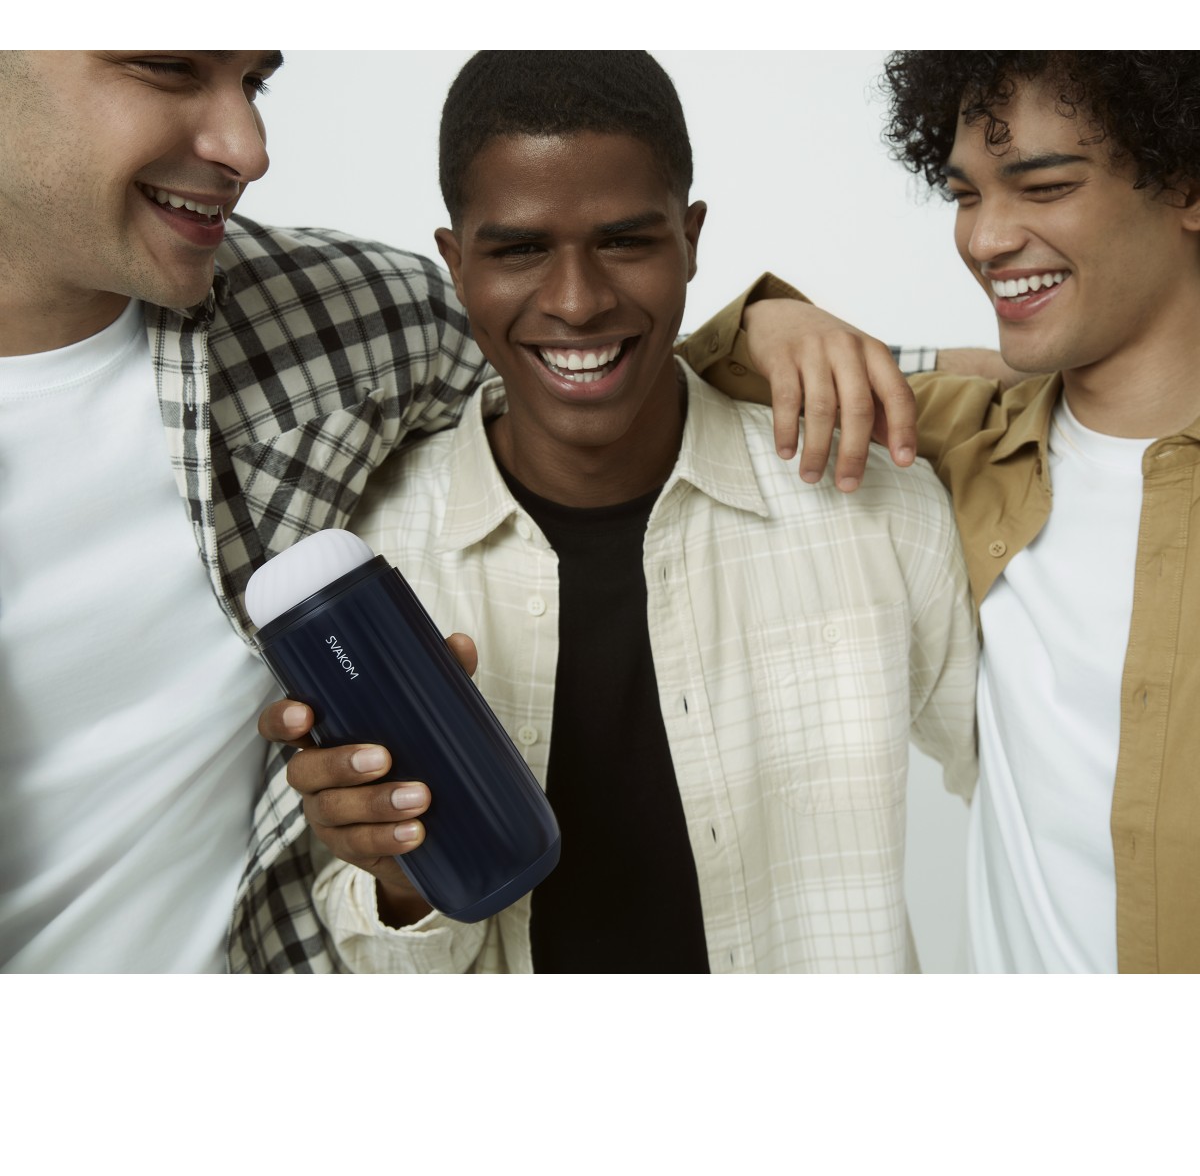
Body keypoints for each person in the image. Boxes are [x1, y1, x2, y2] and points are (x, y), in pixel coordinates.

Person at [0, 49, 837, 974]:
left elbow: (585, 350)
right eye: (166, 69)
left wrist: (761, 329)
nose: (250, 147)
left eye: (255, 82)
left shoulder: (334, 318)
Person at [264, 50, 977, 973]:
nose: (577, 302)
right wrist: (400, 869)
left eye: (626, 243)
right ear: (456, 263)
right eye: (519, 250)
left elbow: (1040, 799)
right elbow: (387, 971)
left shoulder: (878, 507)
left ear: (691, 240)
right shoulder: (377, 556)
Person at [702, 51, 1200, 974]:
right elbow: (688, 386)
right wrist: (775, 320)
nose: (986, 239)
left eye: (1044, 187)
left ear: (1187, 185)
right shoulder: (963, 439)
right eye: (965, 196)